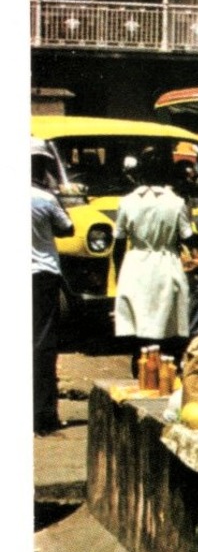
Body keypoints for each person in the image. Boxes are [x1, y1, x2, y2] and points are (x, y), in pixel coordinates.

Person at [112, 145, 193, 377]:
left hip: (134, 267)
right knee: (167, 329)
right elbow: (187, 238)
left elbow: (118, 243)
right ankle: (166, 380)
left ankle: (142, 381)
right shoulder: (176, 202)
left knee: (140, 333)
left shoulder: (127, 201)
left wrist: (120, 276)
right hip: (167, 264)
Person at [33, 142, 74, 436]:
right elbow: (67, 228)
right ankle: (43, 413)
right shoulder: (45, 199)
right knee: (42, 344)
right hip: (42, 276)